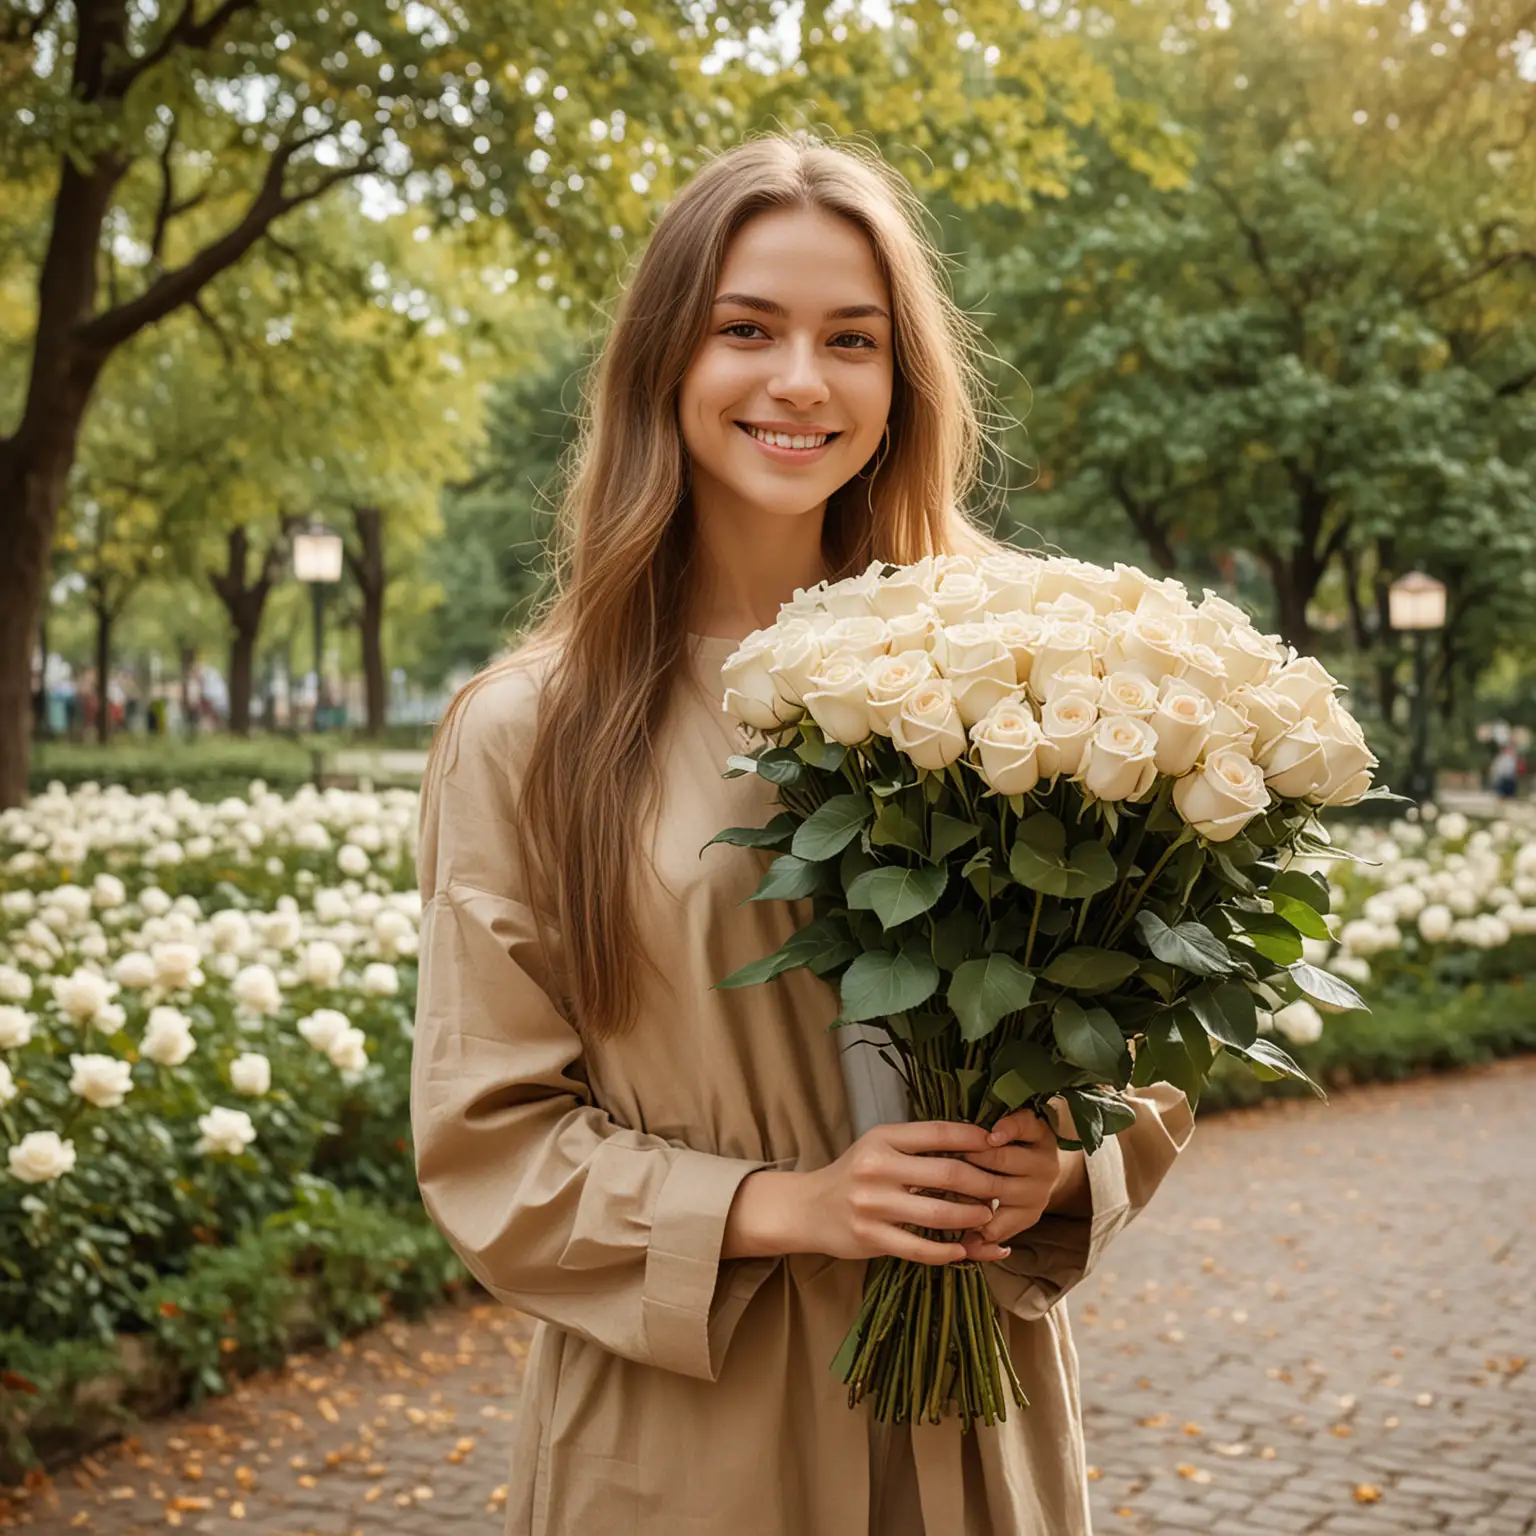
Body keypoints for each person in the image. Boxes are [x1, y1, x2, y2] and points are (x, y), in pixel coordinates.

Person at [410, 133, 1195, 1536]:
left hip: (970, 1421)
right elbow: (490, 1145)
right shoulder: (531, 730)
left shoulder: (1023, 679)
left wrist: (1060, 1161)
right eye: (746, 329)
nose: (799, 380)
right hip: (682, 1434)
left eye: (853, 340)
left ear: (902, 386)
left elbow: (1122, 1062)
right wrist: (792, 1207)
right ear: (667, 361)